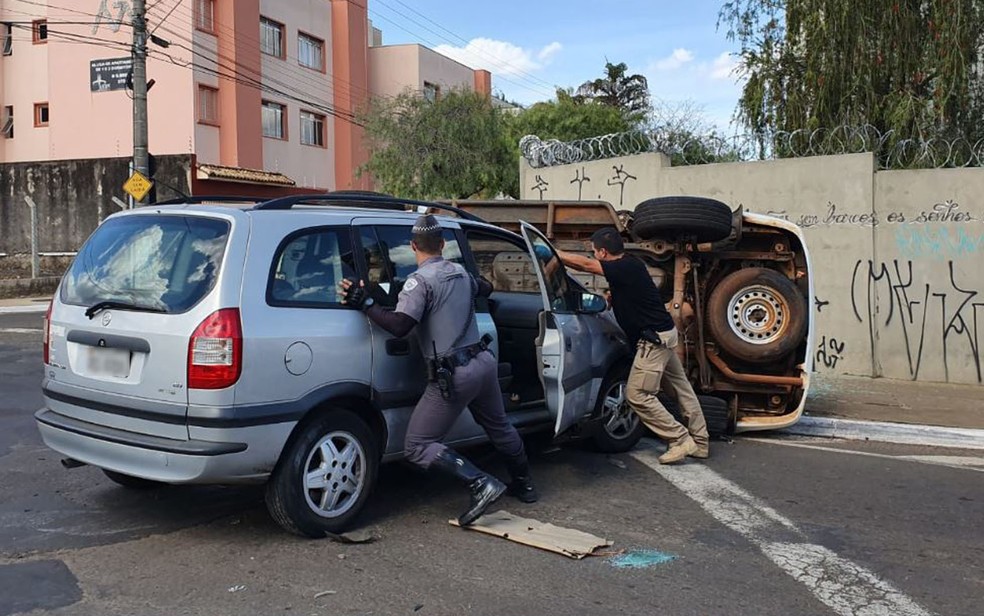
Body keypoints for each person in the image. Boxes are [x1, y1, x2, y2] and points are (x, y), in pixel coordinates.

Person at [339, 215, 537, 525]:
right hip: (483, 363)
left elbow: (400, 325)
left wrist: (364, 303)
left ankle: (480, 483)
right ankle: (524, 485)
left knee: (417, 446)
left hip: (454, 373)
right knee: (500, 426)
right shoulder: (458, 272)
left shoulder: (419, 282)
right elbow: (483, 287)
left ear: (413, 245)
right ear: (443, 244)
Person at [555, 227, 709, 464]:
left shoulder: (623, 267)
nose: (594, 255)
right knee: (681, 390)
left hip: (653, 341)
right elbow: (625, 289)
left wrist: (554, 253)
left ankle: (680, 439)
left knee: (637, 394)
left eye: (595, 252)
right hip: (664, 334)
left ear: (603, 253)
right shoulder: (630, 264)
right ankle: (700, 442)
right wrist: (611, 297)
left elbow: (586, 266)